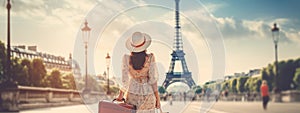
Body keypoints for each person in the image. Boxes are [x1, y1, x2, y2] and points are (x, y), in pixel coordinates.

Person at [116, 32, 161, 113]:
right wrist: (158, 99)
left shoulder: (126, 59)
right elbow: (153, 80)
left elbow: (124, 80)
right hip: (148, 95)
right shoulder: (150, 58)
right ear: (144, 45)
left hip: (132, 95)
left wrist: (120, 95)